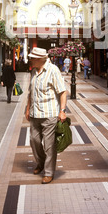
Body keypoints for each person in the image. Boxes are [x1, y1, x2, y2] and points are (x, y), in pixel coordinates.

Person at [25, 47, 67, 184]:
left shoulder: (53, 70)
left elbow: (62, 91)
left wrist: (62, 110)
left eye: (32, 58)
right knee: (34, 140)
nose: (30, 60)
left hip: (49, 114)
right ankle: (41, 162)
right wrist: (27, 108)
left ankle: (49, 172)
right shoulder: (33, 72)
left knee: (49, 145)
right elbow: (30, 92)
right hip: (34, 113)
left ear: (40, 59)